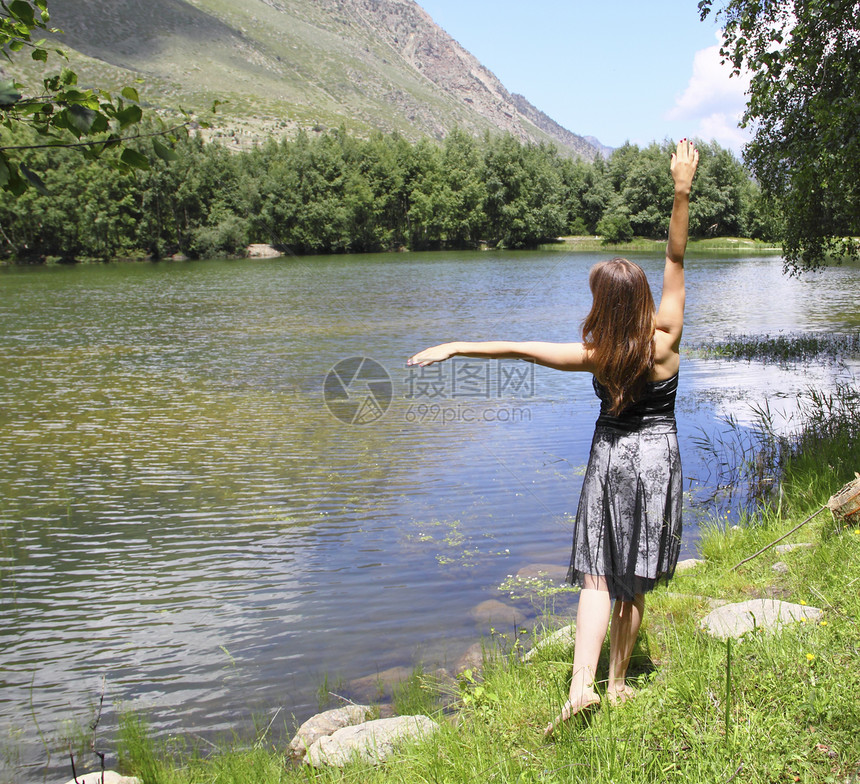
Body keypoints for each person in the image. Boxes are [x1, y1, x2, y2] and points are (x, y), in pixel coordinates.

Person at [407, 138, 699, 735]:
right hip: (656, 457)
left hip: (612, 457)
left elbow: (518, 348)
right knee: (633, 578)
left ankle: (579, 688)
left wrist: (458, 345)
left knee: (598, 570)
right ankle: (617, 685)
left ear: (602, 307)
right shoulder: (664, 339)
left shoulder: (592, 355)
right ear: (641, 301)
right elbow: (676, 258)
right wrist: (681, 188)